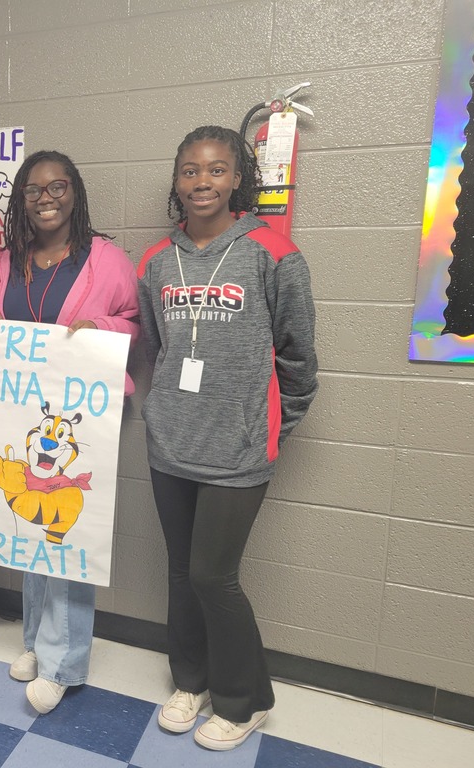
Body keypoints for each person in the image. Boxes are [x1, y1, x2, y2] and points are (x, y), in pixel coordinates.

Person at [137, 125, 318, 750]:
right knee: (183, 574)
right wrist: (156, 414)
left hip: (238, 451)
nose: (202, 182)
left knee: (215, 576)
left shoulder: (273, 253)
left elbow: (299, 358)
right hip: (171, 446)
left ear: (239, 177)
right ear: (177, 181)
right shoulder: (159, 261)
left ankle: (246, 699)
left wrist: (270, 428)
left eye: (216, 170)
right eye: (190, 171)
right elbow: (154, 353)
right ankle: (191, 680)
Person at [0, 150, 140, 715]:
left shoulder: (106, 259)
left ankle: (63, 660)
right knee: (32, 523)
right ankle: (35, 639)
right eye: (33, 190)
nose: (45, 198)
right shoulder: (6, 260)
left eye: (56, 187)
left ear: (75, 192)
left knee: (65, 531)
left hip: (82, 421)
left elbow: (134, 321)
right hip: (24, 413)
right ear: (21, 200)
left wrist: (98, 325)